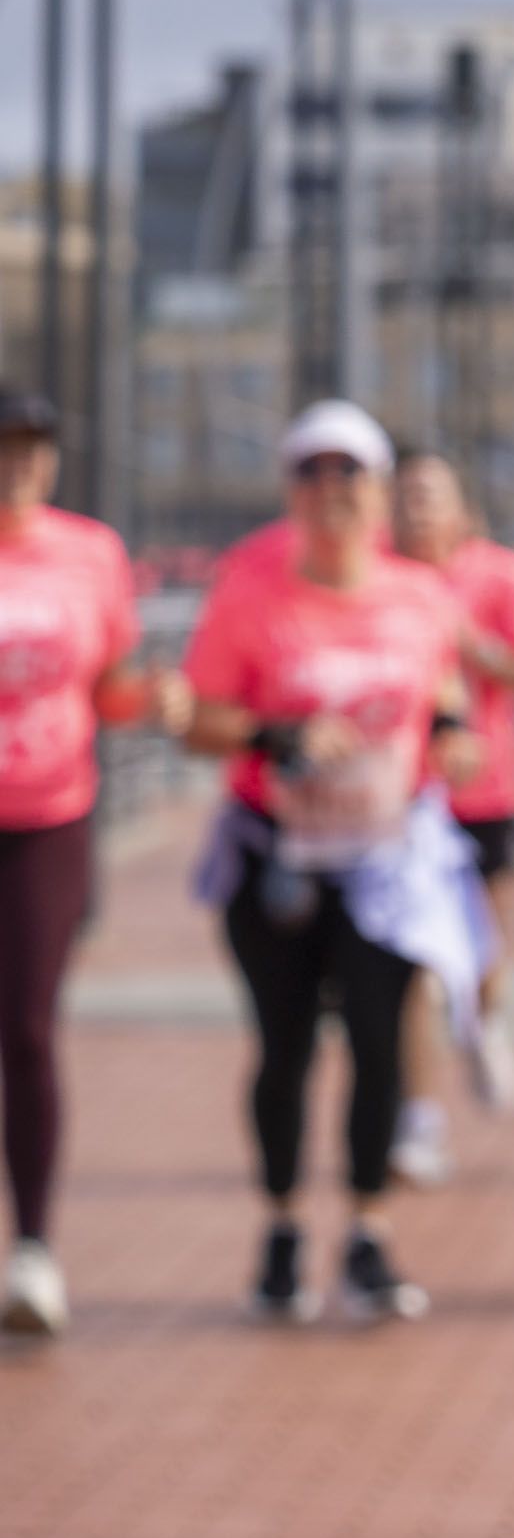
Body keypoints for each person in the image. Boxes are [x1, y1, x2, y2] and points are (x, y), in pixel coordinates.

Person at [180, 401, 487, 1325]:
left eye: (349, 473)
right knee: (285, 1051)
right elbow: (194, 718)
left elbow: (443, 683)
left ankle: (367, 1232)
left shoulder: (419, 595)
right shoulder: (251, 595)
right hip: (277, 859)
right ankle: (279, 1227)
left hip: (384, 862)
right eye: (312, 473)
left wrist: (453, 732)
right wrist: (277, 733)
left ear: (381, 491)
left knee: (378, 1044)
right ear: (290, 491)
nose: (332, 492)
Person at [0, 391, 173, 1338]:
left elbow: (110, 689)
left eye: (37, 449)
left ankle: (33, 1247)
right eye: (6, 449)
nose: (21, 466)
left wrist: (158, 698)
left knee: (26, 1026)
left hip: (47, 814)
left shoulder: (90, 552)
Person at [388, 450, 514, 1171]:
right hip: (399, 797)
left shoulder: (503, 575)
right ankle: (418, 1117)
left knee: (480, 950)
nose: (418, 510)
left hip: (483, 788)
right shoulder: (375, 578)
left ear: (463, 509)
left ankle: (483, 1019)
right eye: (405, 497)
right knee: (406, 963)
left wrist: (477, 649)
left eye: (433, 496)